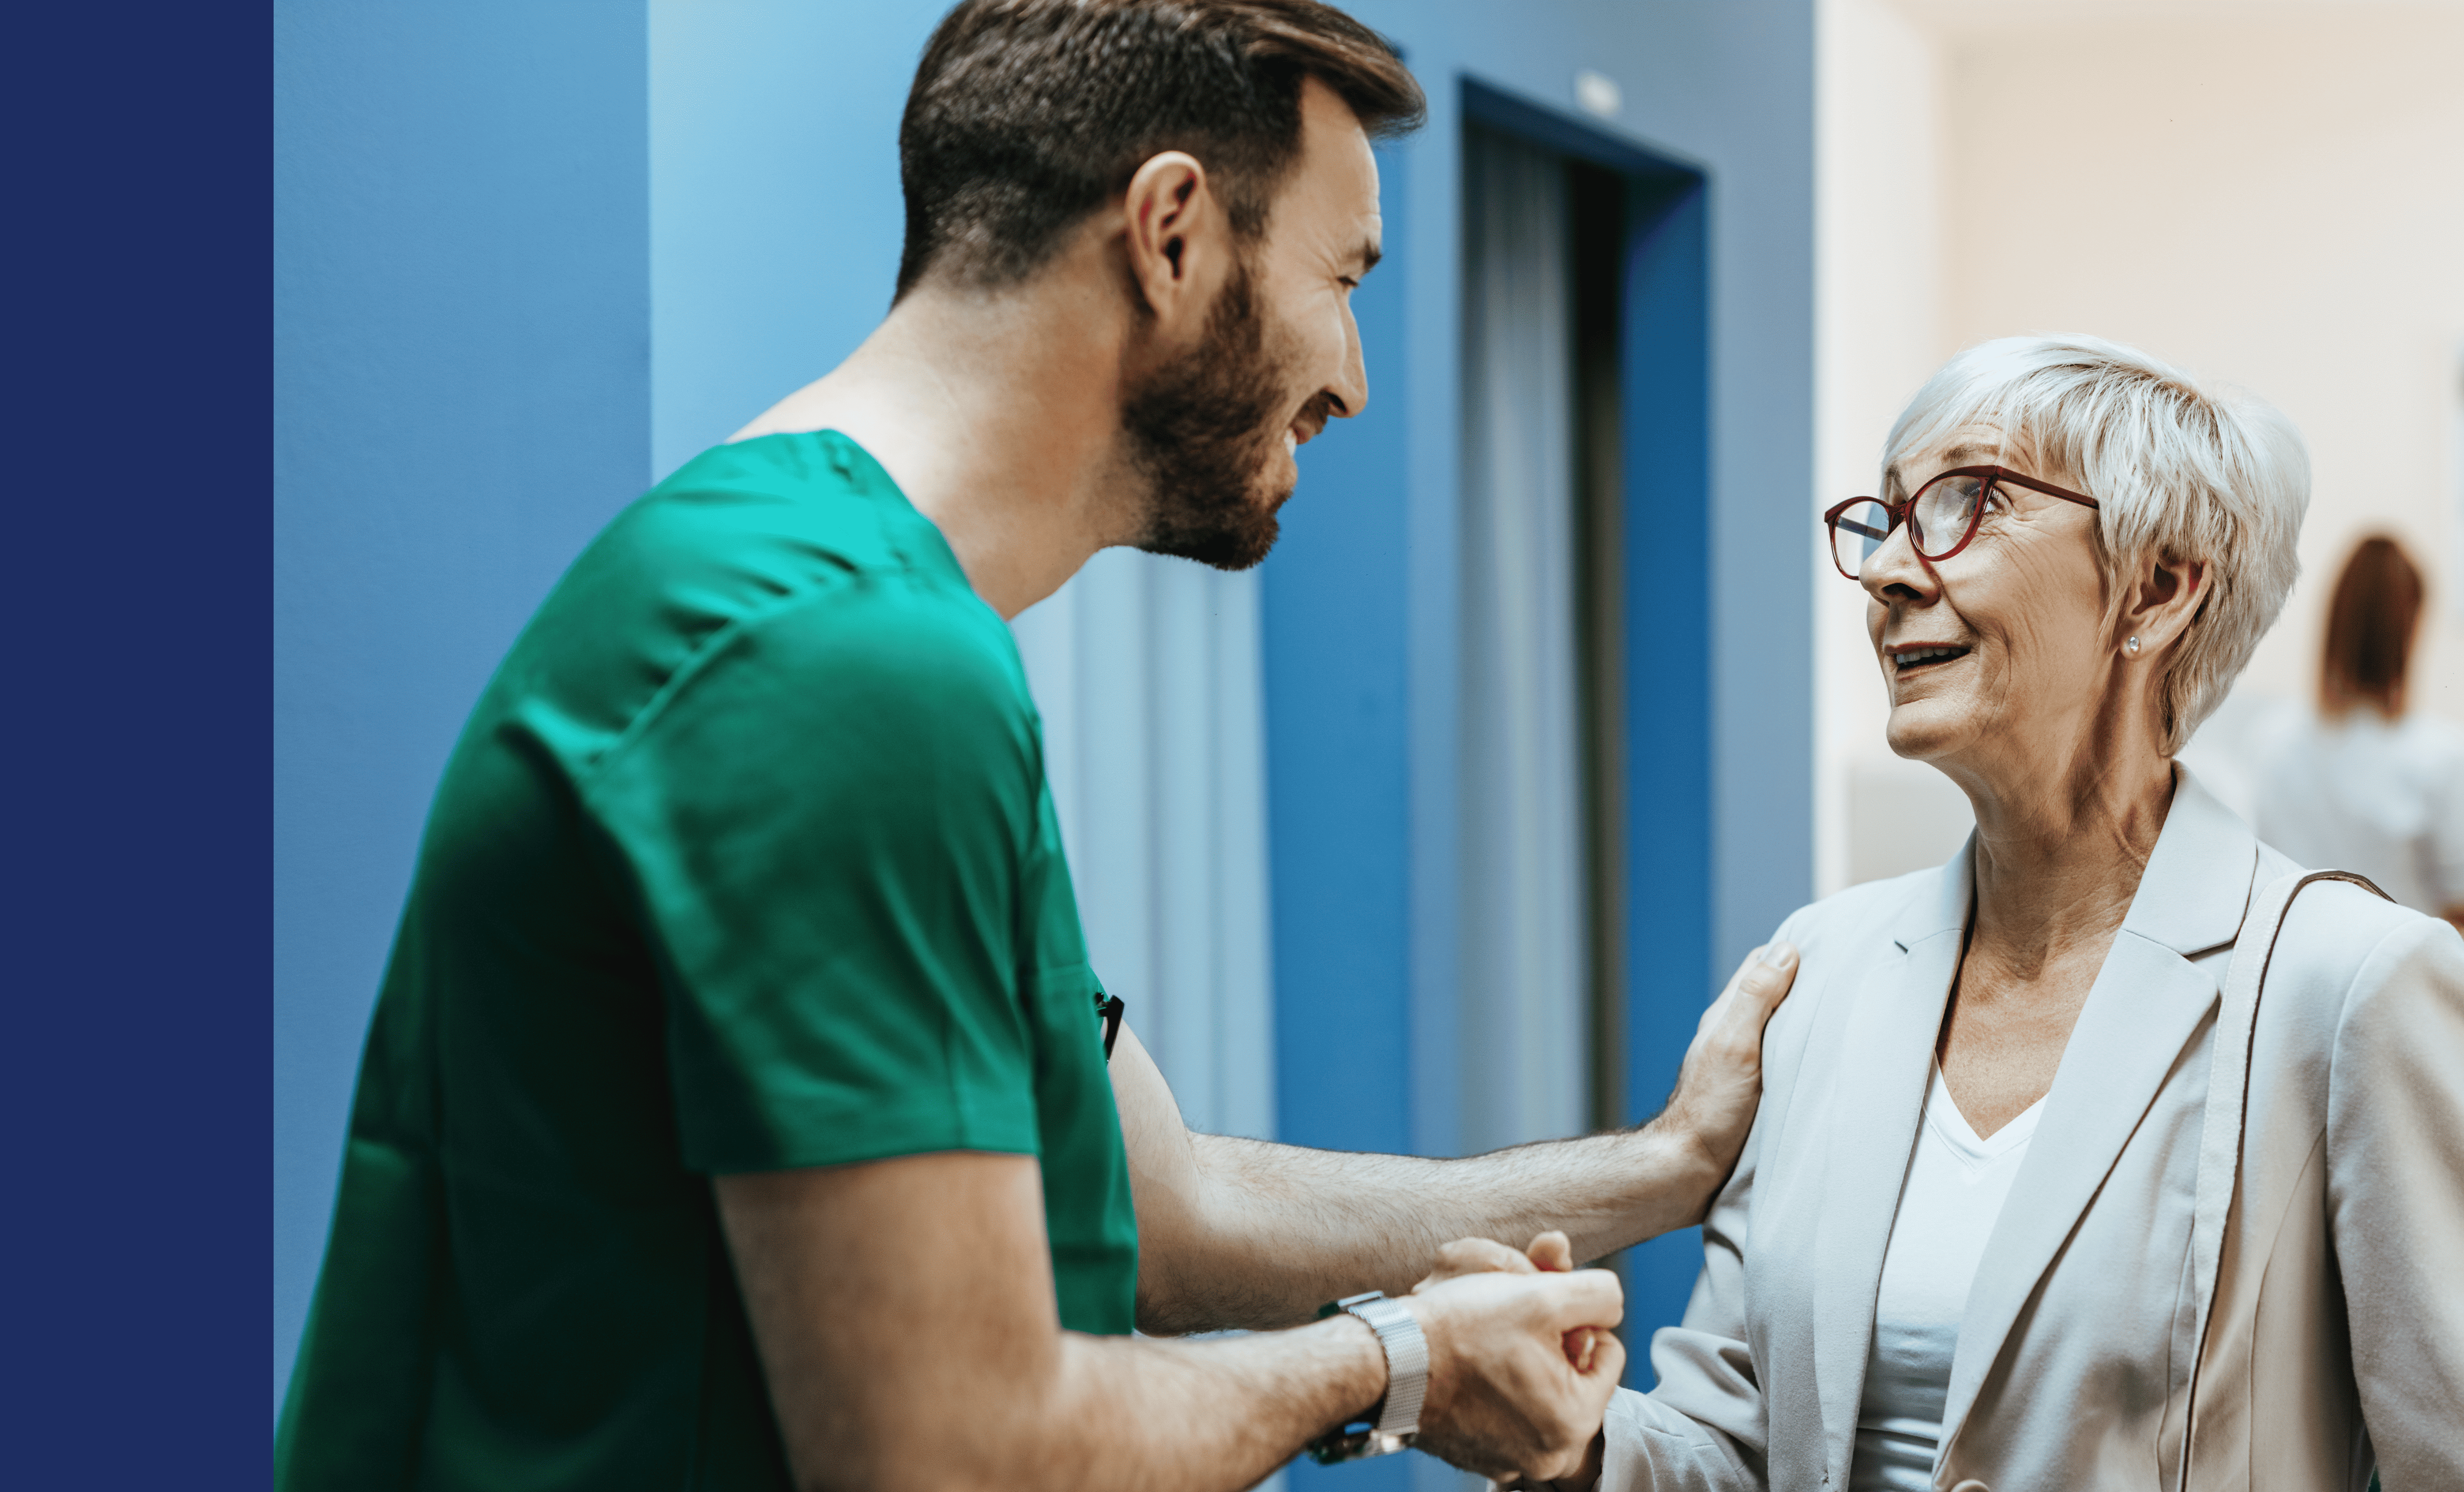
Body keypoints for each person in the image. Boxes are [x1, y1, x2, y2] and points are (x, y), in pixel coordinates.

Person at [273, 5, 1800, 1489]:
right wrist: (1400, 1358)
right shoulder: (843, 666)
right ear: (1173, 233)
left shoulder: (831, 605)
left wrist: (1660, 1169)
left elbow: (1172, 1209)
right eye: (1342, 279)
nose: (1353, 375)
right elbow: (957, 1450)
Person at [1517, 335, 2464, 1492]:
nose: (1887, 567)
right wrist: (1572, 1446)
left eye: (1963, 501)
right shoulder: (1817, 971)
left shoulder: (2349, 989)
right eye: (1883, 519)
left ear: (2157, 586)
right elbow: (1732, 1447)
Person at [2253, 533, 2464, 929]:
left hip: (2290, 975)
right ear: (2411, 628)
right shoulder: (2441, 754)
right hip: (2396, 976)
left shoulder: (2272, 740)